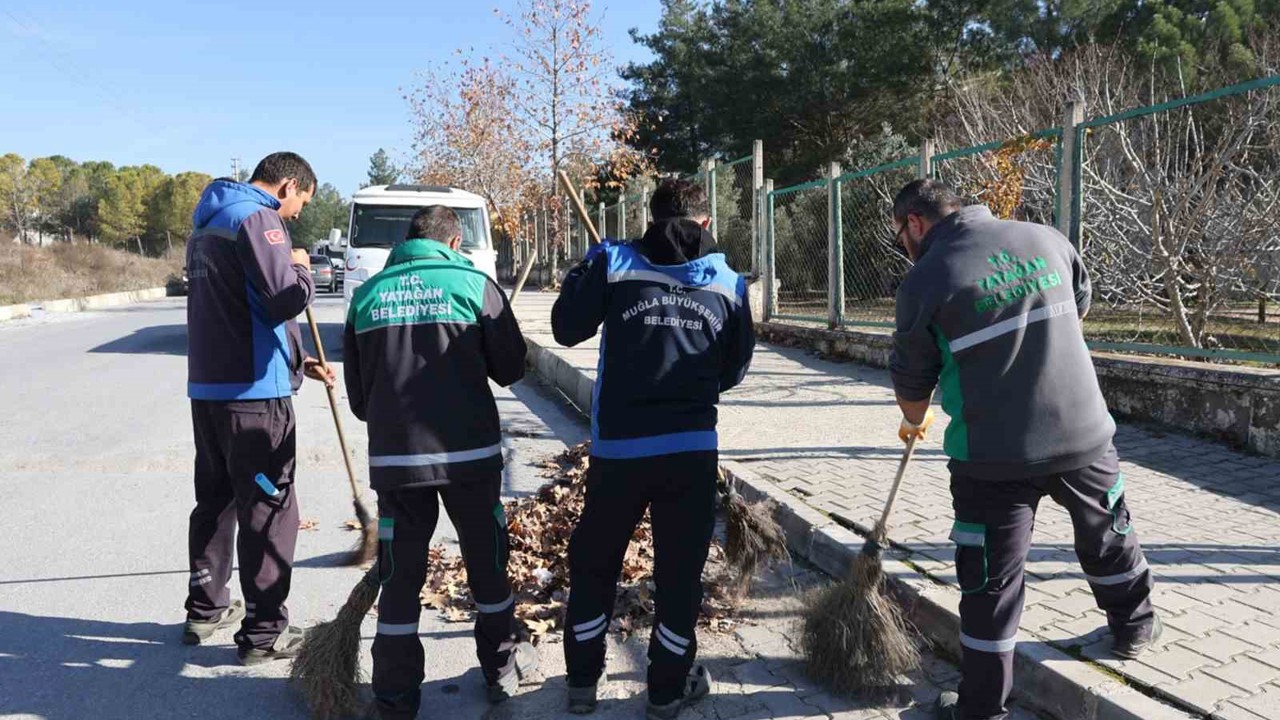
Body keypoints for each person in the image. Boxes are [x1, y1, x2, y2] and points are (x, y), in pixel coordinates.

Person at [886, 179, 1159, 720]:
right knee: (1108, 533)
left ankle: (983, 708)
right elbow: (1076, 306)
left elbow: (913, 380)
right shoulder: (1045, 237)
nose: (904, 244)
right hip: (1083, 435)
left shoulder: (926, 279)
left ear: (915, 224)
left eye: (900, 235)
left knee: (990, 582)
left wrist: (913, 422)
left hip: (992, 456)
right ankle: (1134, 628)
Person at [552, 179, 755, 720]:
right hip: (690, 451)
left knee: (595, 563)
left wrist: (586, 269)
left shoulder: (615, 265)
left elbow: (565, 327)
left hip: (619, 451)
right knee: (679, 573)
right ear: (705, 222)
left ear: (649, 217)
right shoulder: (731, 283)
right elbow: (732, 371)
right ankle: (666, 690)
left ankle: (581, 682)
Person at [342, 206, 536, 718]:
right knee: (486, 563)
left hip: (397, 464)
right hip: (469, 459)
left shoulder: (366, 296)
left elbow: (361, 401)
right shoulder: (474, 285)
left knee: (400, 577)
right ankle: (500, 668)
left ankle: (395, 694)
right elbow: (512, 368)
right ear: (453, 242)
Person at [183, 152, 335, 665]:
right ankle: (265, 632)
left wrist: (298, 359)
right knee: (269, 511)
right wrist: (304, 270)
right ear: (288, 184)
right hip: (253, 399)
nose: (294, 215)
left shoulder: (208, 222)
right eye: (300, 203)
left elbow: (243, 306)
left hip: (209, 391)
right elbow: (282, 298)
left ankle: (206, 607)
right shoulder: (258, 216)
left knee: (217, 501)